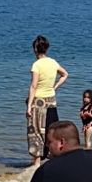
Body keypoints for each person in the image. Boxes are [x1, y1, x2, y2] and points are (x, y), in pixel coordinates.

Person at [27, 35, 69, 166]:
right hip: (51, 100)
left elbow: (34, 86)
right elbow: (65, 74)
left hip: (38, 101)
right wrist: (55, 87)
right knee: (51, 130)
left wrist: (29, 106)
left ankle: (37, 162)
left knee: (35, 131)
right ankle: (53, 157)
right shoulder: (53, 62)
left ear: (35, 49)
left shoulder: (36, 65)